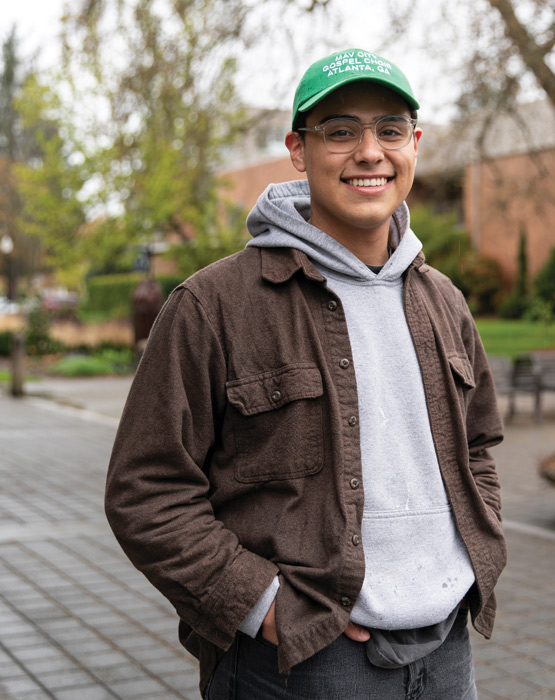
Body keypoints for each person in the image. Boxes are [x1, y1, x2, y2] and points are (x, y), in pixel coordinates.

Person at [105, 47, 507, 700]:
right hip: (302, 660)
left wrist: (469, 558)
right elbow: (144, 490)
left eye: (390, 130)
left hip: (447, 649)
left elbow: (480, 445)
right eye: (341, 131)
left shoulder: (444, 302)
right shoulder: (214, 306)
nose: (370, 151)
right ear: (299, 149)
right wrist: (260, 605)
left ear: (416, 144)